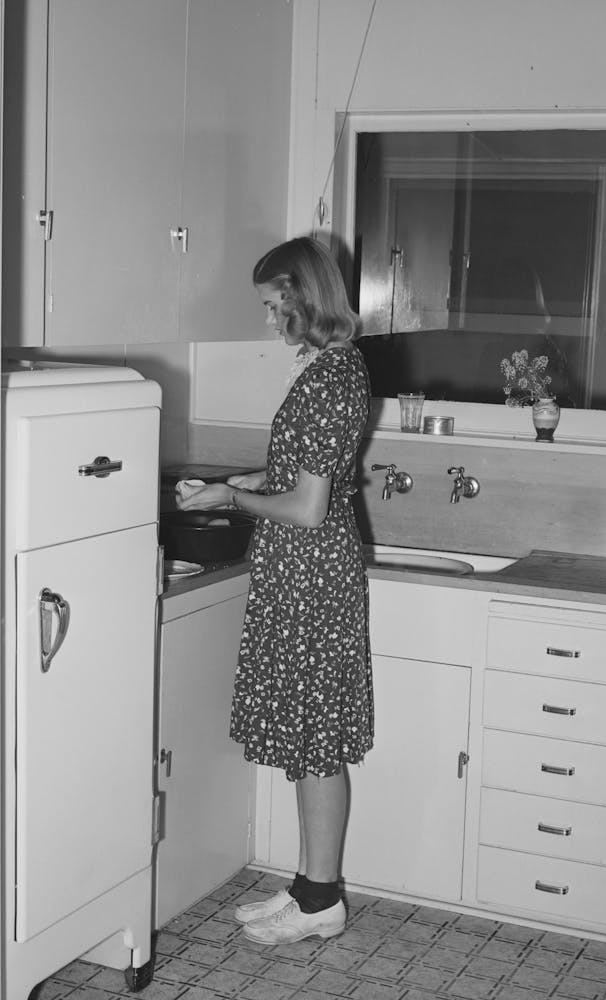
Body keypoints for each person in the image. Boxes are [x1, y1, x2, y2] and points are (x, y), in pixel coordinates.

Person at [176, 237, 374, 945]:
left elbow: (309, 507)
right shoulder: (329, 368)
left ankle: (321, 901)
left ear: (304, 298)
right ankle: (308, 885)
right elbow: (294, 476)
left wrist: (233, 494)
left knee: (315, 739)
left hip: (311, 575)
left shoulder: (330, 377)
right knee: (305, 735)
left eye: (273, 305)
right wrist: (234, 487)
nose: (268, 319)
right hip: (305, 573)